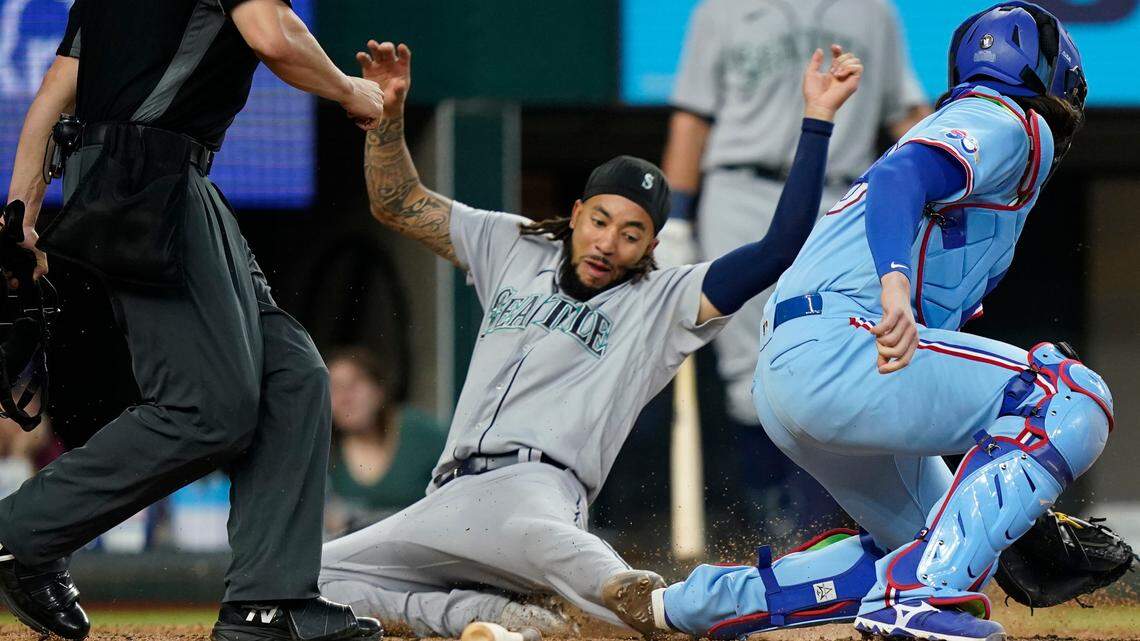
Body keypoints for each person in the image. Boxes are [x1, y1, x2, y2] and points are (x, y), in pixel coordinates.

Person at [317, 39, 862, 638]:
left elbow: (777, 250)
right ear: (576, 213)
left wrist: (818, 121)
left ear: (651, 247)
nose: (609, 242)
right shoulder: (513, 243)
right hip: (445, 498)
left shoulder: (664, 300)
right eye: (601, 220)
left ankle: (658, 600)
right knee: (307, 579)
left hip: (540, 494)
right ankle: (487, 618)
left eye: (632, 233)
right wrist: (387, 120)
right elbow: (398, 203)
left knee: (628, 600)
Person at [624, 4, 1107, 641]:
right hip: (844, 344)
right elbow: (901, 174)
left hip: (798, 370)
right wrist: (896, 284)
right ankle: (910, 602)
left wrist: (1007, 505)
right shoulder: (1008, 120)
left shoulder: (968, 125)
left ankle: (698, 605)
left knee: (927, 541)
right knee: (1072, 397)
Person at [0, 1, 386, 640]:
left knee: (292, 377)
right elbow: (272, 34)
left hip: (161, 180)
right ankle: (19, 534)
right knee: (208, 408)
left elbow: (51, 97)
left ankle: (269, 606)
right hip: (146, 180)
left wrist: (21, 221)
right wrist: (350, 90)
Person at [655, 0, 931, 535]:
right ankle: (774, 517)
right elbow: (691, 120)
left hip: (841, 194)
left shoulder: (874, 12)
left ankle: (822, 525)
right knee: (747, 370)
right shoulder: (721, 10)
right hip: (742, 190)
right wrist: (677, 220)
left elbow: (908, 117)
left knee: (841, 357)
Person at [325, 347, 448, 537]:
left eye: (354, 384)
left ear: (378, 389)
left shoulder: (420, 433)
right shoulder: (325, 451)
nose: (345, 398)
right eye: (334, 388)